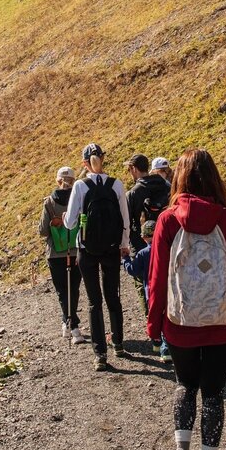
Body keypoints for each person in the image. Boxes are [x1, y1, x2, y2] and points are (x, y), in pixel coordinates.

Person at [147, 148, 226, 450]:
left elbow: (158, 276)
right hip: (223, 321)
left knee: (185, 385)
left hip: (181, 322)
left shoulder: (168, 220)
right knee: (214, 393)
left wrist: (154, 321)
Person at [64, 142, 130, 371]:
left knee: (94, 302)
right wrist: (124, 245)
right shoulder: (117, 184)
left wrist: (65, 218)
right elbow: (125, 218)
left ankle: (100, 353)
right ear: (103, 159)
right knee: (113, 295)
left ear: (85, 163)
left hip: (87, 249)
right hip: (112, 248)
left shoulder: (80, 187)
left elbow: (71, 222)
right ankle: (119, 343)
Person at [38, 166, 86, 345]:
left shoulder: (49, 202)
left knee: (61, 291)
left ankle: (71, 324)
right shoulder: (79, 199)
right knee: (73, 289)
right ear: (74, 181)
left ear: (57, 180)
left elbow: (43, 231)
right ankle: (70, 323)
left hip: (55, 253)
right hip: (76, 250)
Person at [121, 219, 171, 364]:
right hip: (168, 290)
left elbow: (133, 270)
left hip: (151, 292)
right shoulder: (167, 249)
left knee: (155, 317)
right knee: (166, 318)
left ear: (143, 237)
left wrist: (125, 258)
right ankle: (164, 346)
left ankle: (160, 346)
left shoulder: (143, 253)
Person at [125, 153, 171, 252]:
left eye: (129, 170)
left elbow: (126, 221)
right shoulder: (166, 186)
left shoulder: (133, 193)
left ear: (134, 169)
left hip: (141, 246)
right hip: (166, 242)